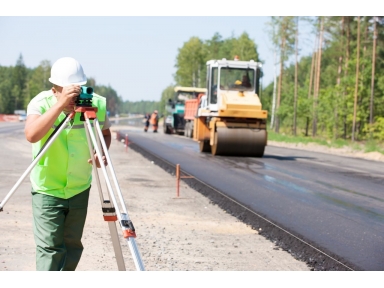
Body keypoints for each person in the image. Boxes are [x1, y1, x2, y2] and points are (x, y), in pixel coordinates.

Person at [24, 57, 112, 271]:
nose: (75, 96)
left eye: (77, 90)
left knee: (72, 246)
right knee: (50, 248)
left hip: (79, 186)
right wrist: (61, 105)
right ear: (55, 88)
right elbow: (32, 135)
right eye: (68, 91)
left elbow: (106, 134)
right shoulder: (40, 103)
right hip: (48, 188)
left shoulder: (95, 104)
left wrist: (101, 151)